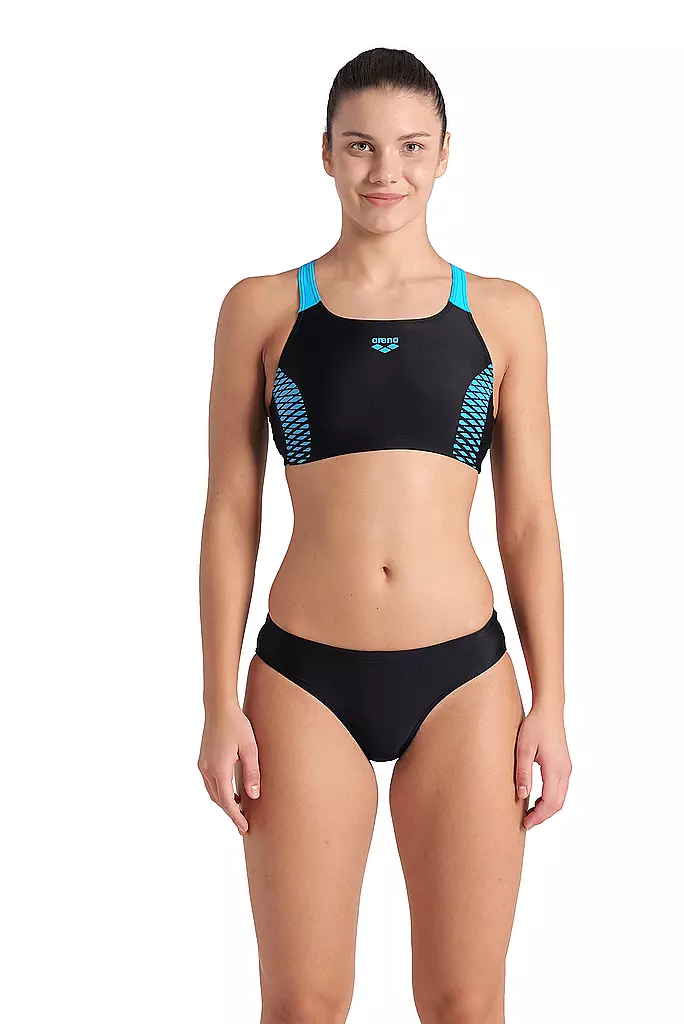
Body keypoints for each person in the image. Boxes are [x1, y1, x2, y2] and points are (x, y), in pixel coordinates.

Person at [198, 46, 571, 1024]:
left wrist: (552, 701)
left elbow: (530, 519)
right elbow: (230, 510)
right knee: (303, 1004)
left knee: (464, 1003)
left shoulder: (504, 314)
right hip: (302, 677)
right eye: (360, 145)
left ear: (446, 154)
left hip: (465, 680)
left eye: (410, 146)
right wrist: (216, 701)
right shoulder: (263, 308)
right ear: (325, 153)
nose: (385, 171)